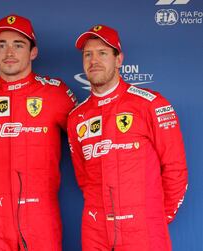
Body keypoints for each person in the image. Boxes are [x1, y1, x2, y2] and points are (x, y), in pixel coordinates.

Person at [67, 24, 188, 251]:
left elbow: (175, 169)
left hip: (143, 229)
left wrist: (155, 217)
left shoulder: (151, 104)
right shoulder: (76, 116)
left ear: (118, 59)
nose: (94, 60)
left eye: (102, 53)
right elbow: (84, 178)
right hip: (96, 230)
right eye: (88, 54)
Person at [0, 14, 77, 251]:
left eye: (18, 45)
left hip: (41, 216)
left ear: (33, 52)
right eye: (1, 45)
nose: (9, 53)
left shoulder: (55, 93)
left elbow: (89, 141)